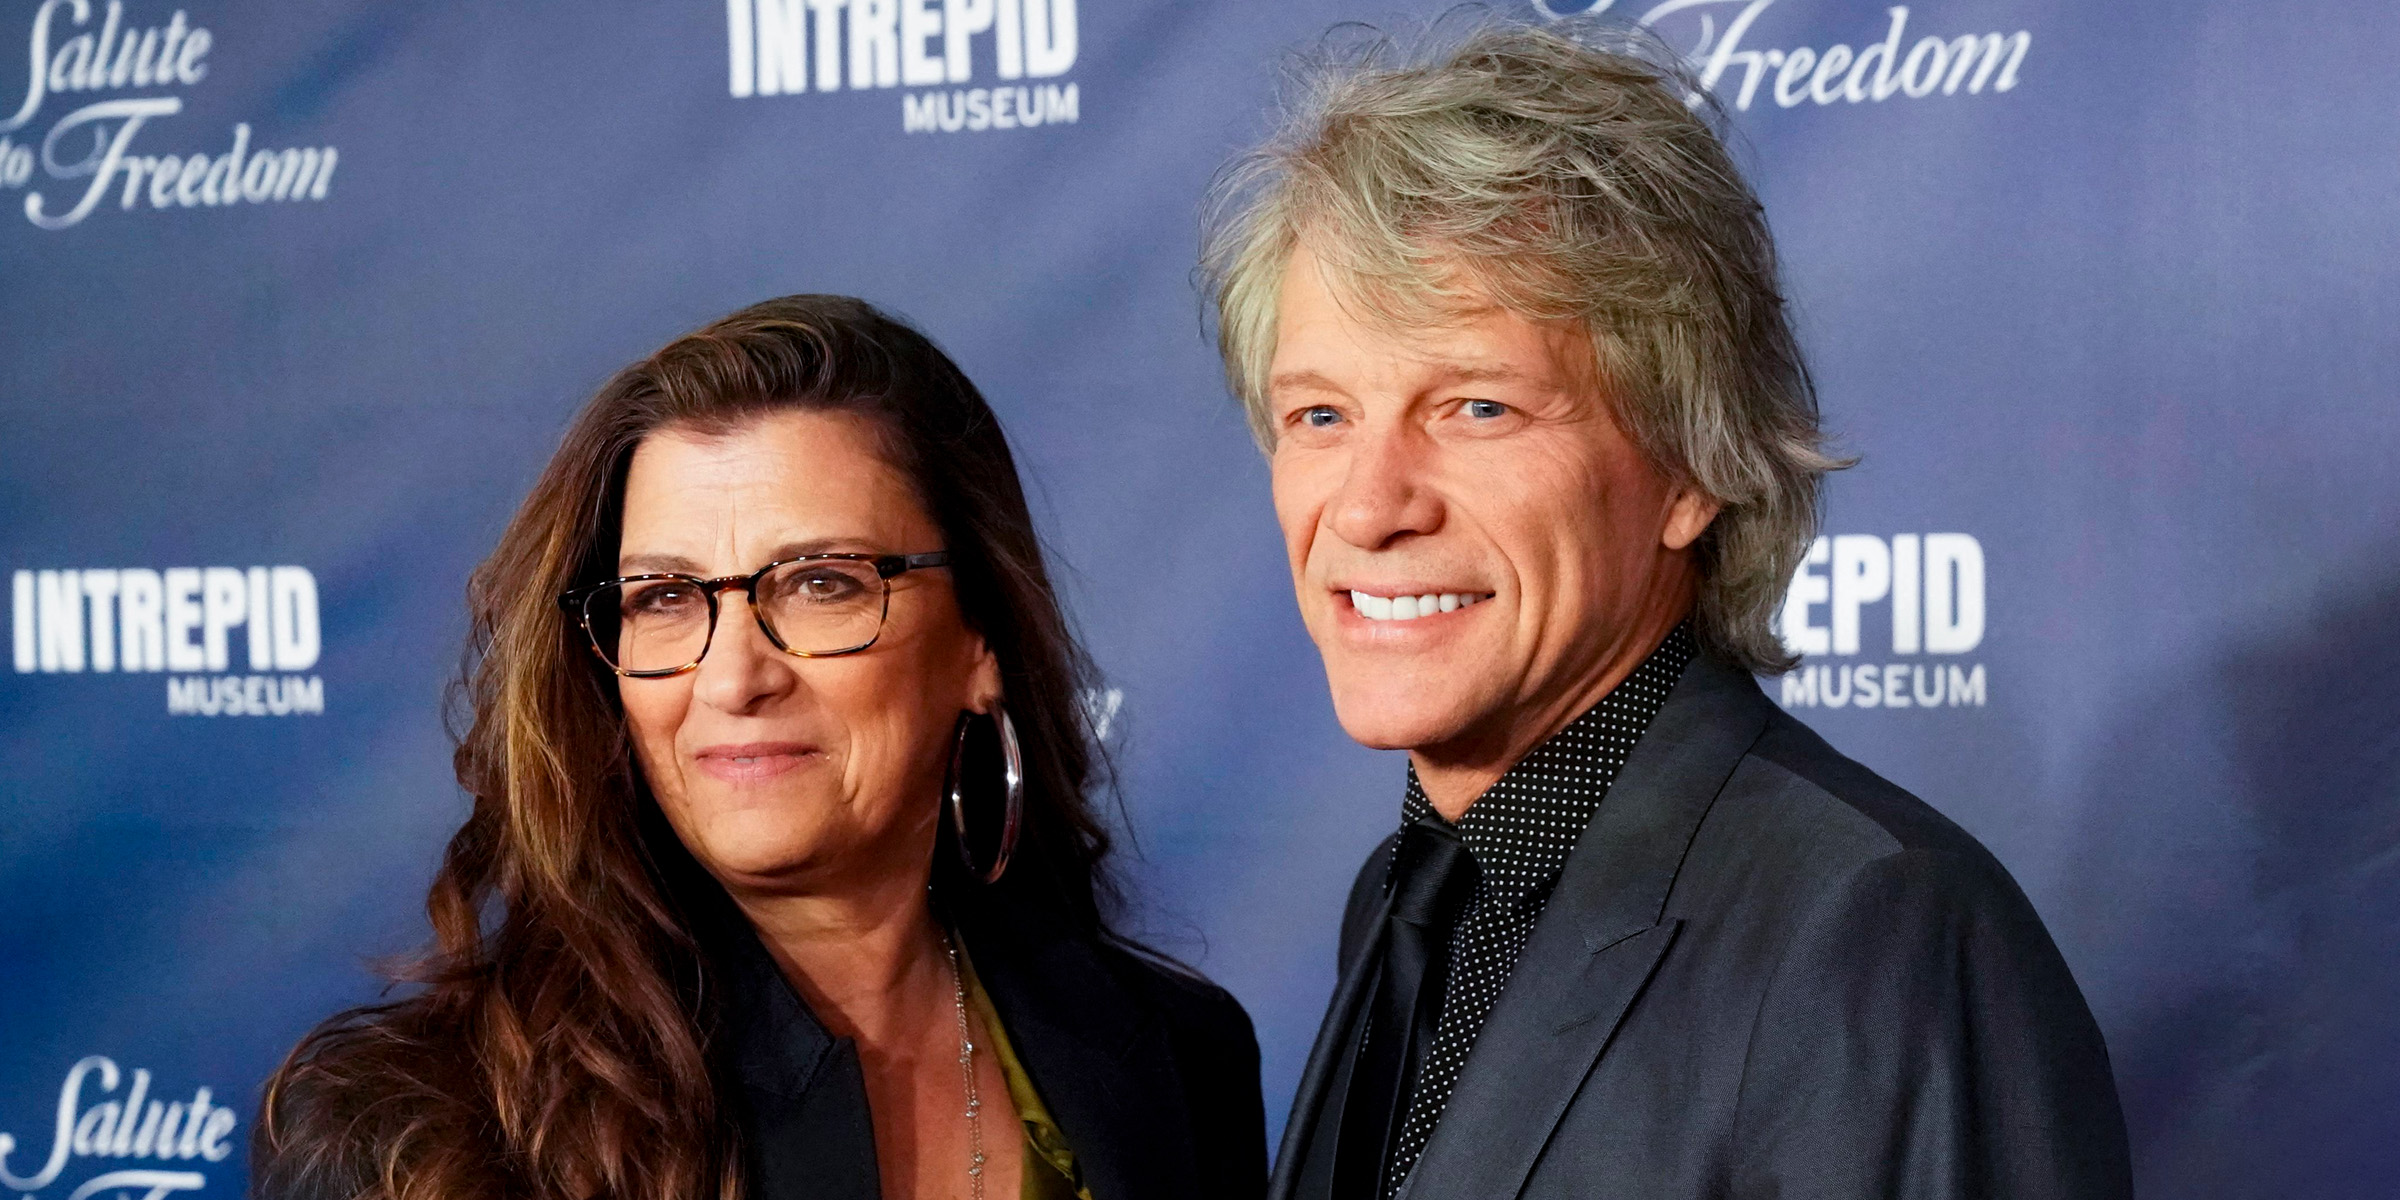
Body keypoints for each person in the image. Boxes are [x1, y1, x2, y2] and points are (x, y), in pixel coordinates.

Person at [1200, 22, 2131, 1200]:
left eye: (1477, 408)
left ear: (1689, 469)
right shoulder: (1402, 901)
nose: (1370, 506)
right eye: (1320, 417)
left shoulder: (1872, 934)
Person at [251, 296, 1267, 1200]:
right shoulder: (412, 1129)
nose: (734, 678)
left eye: (820, 582)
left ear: (978, 640)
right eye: (665, 598)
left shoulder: (1179, 1059)